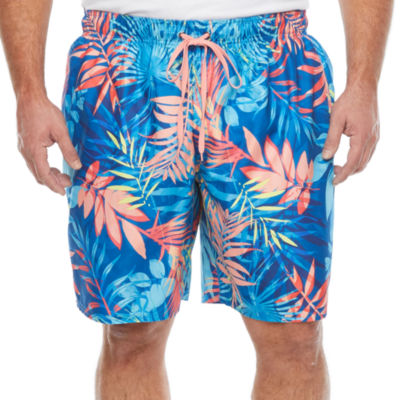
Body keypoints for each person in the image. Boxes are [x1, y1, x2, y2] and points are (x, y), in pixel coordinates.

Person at [0, 0, 394, 399]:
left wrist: (364, 80)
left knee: (292, 330)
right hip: (120, 63)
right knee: (130, 331)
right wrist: (28, 91)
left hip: (274, 60)